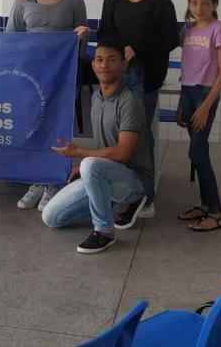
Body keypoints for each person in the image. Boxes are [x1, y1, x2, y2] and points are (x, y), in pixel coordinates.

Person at [41, 39, 153, 254]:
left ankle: (104, 231)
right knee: (51, 217)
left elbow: (123, 152)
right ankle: (106, 203)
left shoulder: (130, 101)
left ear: (123, 64)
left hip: (134, 180)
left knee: (90, 164)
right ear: (93, 65)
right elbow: (103, 146)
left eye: (112, 60)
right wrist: (82, 167)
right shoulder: (96, 96)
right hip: (106, 173)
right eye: (99, 60)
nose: (104, 65)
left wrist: (81, 156)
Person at [6, 0, 89, 212]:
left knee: (57, 130)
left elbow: (81, 42)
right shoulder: (22, 2)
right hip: (31, 79)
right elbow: (11, 41)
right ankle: (37, 181)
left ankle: (54, 182)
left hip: (62, 79)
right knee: (33, 129)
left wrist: (80, 37)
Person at [98, 0, 179, 214]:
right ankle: (116, 187)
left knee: (139, 137)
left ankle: (144, 196)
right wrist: (119, 53)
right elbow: (105, 36)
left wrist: (138, 50)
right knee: (114, 134)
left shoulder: (160, 1)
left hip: (145, 77)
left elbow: (170, 38)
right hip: (115, 76)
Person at [175, 0, 221, 232]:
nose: (199, 7)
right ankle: (205, 205)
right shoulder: (186, 30)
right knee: (198, 151)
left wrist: (206, 106)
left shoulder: (219, 29)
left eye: (205, 2)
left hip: (205, 94)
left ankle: (216, 212)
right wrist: (181, 102)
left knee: (197, 152)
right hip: (187, 92)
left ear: (215, 5)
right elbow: (187, 68)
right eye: (194, 2)